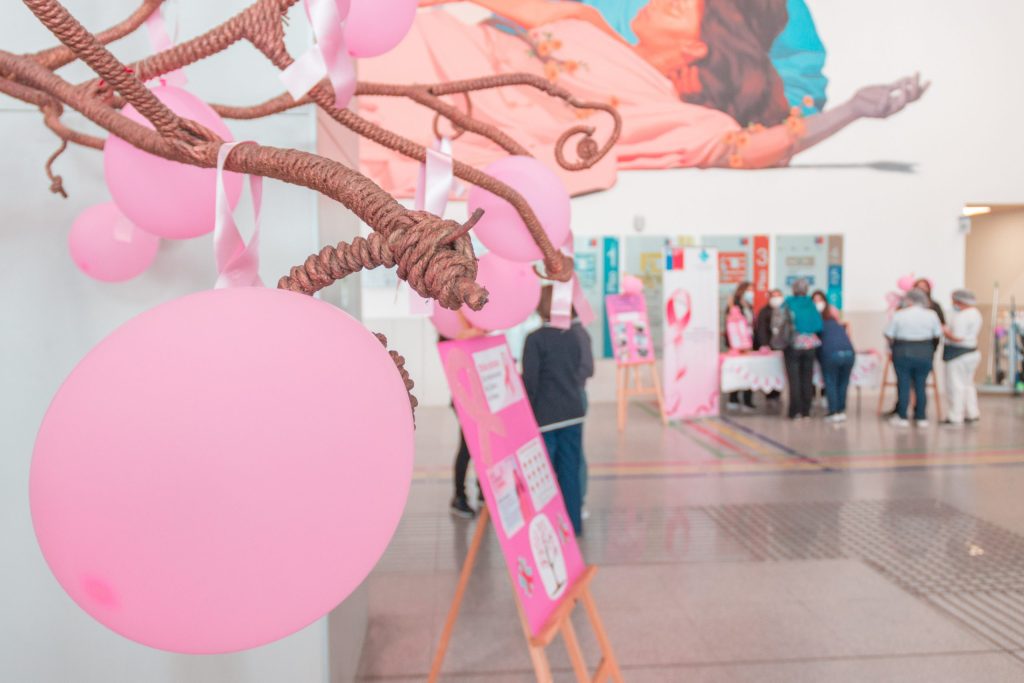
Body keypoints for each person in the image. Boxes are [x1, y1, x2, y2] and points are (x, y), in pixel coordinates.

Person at [363, 1, 927, 197]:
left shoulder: (686, 119)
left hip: (453, 113)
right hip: (430, 50)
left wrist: (853, 110)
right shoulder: (591, 23)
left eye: (680, 7)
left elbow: (750, 150)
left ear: (697, 47)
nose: (661, 2)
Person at [522, 287, 590, 534]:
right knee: (570, 471)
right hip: (573, 413)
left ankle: (549, 528)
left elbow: (530, 382)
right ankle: (573, 526)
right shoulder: (572, 335)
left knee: (545, 476)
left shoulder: (535, 339)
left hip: (546, 417)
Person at [440, 315, 488, 518]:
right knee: (468, 448)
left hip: (480, 395)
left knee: (483, 445)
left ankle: (483, 491)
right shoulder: (450, 330)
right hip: (465, 399)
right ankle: (459, 496)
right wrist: (477, 331)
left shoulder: (473, 325)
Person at [885, 288, 943, 427]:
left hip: (903, 352)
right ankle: (921, 417)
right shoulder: (931, 314)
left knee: (903, 384)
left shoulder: (900, 314)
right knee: (921, 385)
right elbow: (937, 334)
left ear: (909, 300)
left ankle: (902, 416)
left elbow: (889, 334)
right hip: (925, 352)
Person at [942, 289, 983, 426]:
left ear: (959, 301)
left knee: (955, 385)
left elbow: (958, 338)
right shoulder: (976, 313)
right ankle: (972, 413)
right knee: (968, 385)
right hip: (972, 353)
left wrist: (945, 331)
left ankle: (955, 416)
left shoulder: (962, 316)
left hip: (958, 355)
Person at [783, 278, 822, 419]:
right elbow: (819, 325)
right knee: (807, 378)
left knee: (794, 379)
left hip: (793, 344)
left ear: (793, 289)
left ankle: (795, 411)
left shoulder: (788, 303)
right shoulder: (811, 304)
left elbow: (780, 323)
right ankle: (806, 410)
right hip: (810, 345)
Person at [817, 301, 855, 422]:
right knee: (843, 383)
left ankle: (833, 412)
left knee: (831, 383)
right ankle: (841, 410)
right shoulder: (839, 325)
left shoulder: (820, 325)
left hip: (831, 355)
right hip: (849, 354)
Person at [724, 281, 756, 411]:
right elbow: (729, 326)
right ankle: (734, 398)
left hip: (749, 342)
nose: (751, 293)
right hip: (737, 344)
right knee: (736, 370)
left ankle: (747, 400)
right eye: (749, 290)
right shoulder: (733, 305)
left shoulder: (749, 305)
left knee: (749, 371)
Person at [754, 288, 784, 404]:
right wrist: (764, 344)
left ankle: (778, 393)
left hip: (782, 347)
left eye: (778, 296)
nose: (776, 299)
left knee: (780, 371)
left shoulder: (785, 310)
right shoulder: (764, 311)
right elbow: (761, 329)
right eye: (774, 296)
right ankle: (770, 395)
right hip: (769, 347)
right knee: (770, 372)